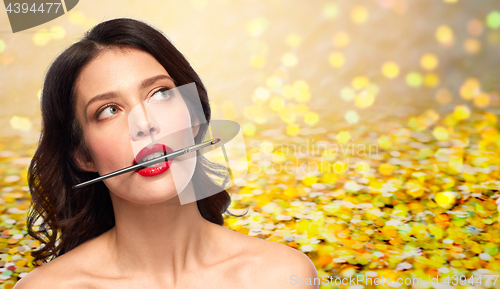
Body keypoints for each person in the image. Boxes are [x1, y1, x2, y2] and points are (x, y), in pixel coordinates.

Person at [14, 18, 318, 288]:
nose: (144, 124)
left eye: (160, 94)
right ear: (83, 155)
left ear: (194, 115)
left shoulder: (282, 276)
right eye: (109, 110)